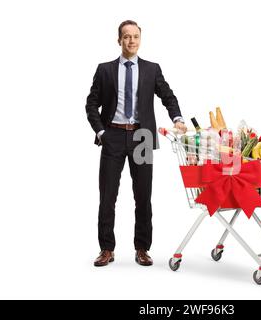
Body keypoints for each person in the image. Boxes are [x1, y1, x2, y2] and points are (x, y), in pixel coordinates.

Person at [85, 20, 187, 267]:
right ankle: (106, 249)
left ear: (141, 39)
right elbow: (91, 104)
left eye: (135, 37)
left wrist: (178, 118)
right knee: (107, 196)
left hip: (143, 137)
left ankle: (142, 248)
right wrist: (101, 132)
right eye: (126, 37)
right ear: (118, 40)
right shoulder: (105, 69)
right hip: (113, 136)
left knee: (143, 195)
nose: (131, 41)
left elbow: (167, 95)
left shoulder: (152, 69)